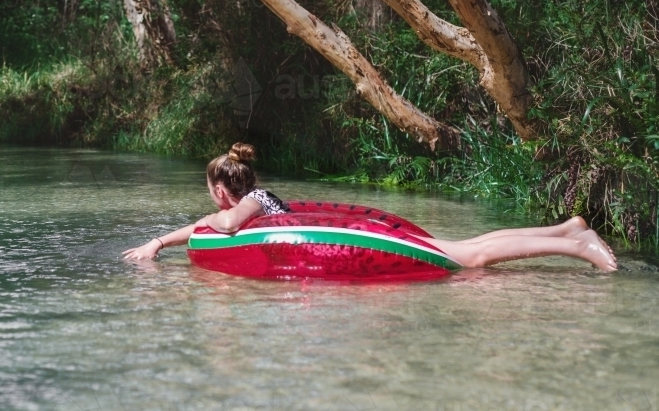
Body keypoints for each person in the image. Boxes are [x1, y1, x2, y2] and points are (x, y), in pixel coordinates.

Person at [122, 143, 618, 272]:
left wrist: (181, 233)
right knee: (470, 247)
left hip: (370, 245)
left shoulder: (249, 204)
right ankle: (565, 230)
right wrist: (160, 242)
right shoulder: (267, 198)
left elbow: (228, 226)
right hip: (370, 240)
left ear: (217, 188)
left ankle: (576, 246)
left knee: (471, 258)